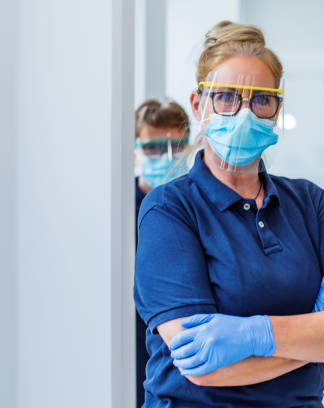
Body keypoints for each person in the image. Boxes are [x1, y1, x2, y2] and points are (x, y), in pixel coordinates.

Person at [134, 21, 324, 407]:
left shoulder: (310, 203)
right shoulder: (170, 209)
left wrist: (256, 334)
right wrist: (319, 331)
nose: (244, 113)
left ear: (276, 109)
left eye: (261, 100)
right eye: (227, 97)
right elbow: (203, 368)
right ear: (199, 104)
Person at [133, 98, 191, 408]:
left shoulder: (192, 207)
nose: (165, 157)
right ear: (135, 147)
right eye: (152, 148)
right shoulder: (119, 212)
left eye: (176, 146)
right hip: (132, 335)